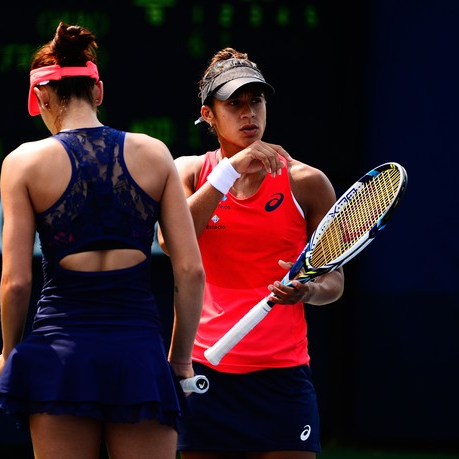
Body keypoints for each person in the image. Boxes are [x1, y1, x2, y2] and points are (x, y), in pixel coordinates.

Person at [0, 22, 205, 459]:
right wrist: (179, 361)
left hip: (58, 358)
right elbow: (191, 270)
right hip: (139, 358)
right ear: (97, 92)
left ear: (42, 97)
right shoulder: (156, 153)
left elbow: (16, 283)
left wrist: (10, 352)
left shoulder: (22, 163)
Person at [157, 48, 345, 459]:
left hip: (282, 379)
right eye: (234, 103)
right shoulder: (188, 173)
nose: (249, 114)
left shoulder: (307, 183)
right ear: (209, 115)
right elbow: (171, 240)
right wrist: (230, 171)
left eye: (256, 101)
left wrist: (307, 291)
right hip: (203, 372)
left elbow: (334, 281)